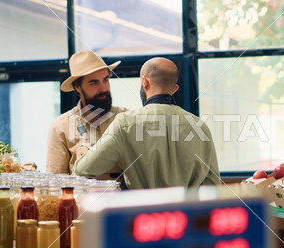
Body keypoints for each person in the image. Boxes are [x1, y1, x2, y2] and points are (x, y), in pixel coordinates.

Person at [74, 57, 221, 189]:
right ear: (174, 89)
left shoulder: (125, 122)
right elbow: (213, 185)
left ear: (145, 82)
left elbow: (84, 169)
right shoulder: (200, 126)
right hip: (187, 216)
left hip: (143, 216)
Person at [46, 50, 127, 175]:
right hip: (80, 194)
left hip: (123, 194)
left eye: (105, 80)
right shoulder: (60, 127)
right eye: (94, 83)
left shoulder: (126, 118)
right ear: (77, 87)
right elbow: (56, 180)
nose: (103, 88)